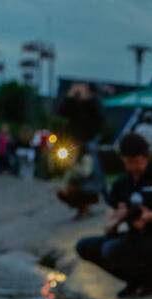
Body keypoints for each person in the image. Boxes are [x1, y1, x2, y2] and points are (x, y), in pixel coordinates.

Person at [75, 133, 152, 298]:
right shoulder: (121, 184)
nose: (134, 167)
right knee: (85, 246)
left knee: (112, 250)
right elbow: (108, 227)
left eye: (138, 161)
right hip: (134, 237)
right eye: (129, 162)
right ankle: (136, 280)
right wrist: (119, 217)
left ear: (146, 157)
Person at [57, 83, 107, 212]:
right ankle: (79, 202)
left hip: (89, 141)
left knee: (91, 169)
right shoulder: (73, 104)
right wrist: (70, 96)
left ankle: (97, 193)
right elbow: (61, 112)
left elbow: (99, 118)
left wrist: (87, 99)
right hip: (73, 143)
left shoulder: (94, 102)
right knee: (72, 171)